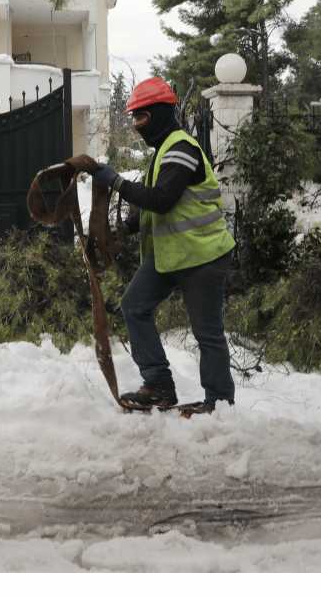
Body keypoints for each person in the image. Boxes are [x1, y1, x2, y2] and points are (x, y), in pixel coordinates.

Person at [89, 77, 236, 415]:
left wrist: (116, 182)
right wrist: (123, 230)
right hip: (171, 256)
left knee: (207, 333)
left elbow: (162, 200)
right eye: (134, 118)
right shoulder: (164, 152)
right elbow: (149, 206)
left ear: (159, 113)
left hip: (202, 256)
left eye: (141, 117)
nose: (138, 124)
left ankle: (219, 403)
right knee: (134, 306)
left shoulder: (182, 149)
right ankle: (158, 386)